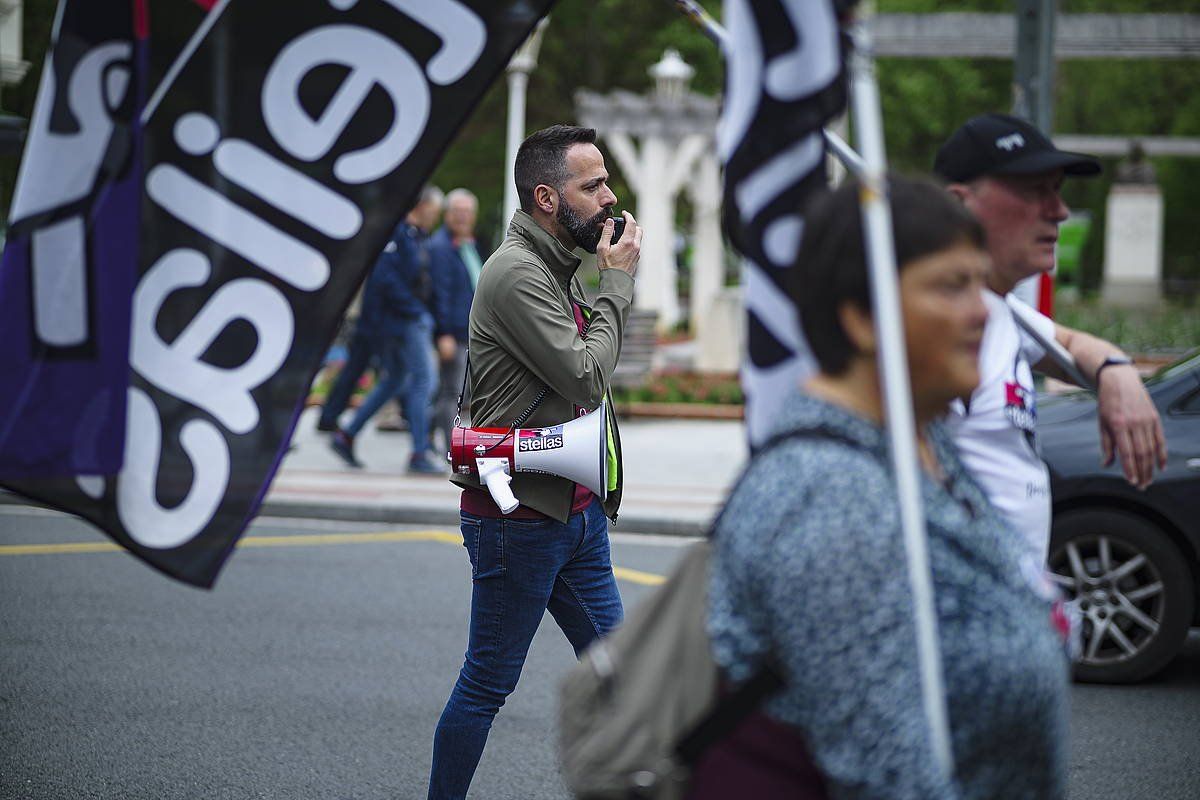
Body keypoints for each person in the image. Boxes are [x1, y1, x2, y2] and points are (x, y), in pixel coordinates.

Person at [692, 176, 1069, 798]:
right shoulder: (830, 496)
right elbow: (888, 776)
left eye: (981, 282)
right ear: (862, 318)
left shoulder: (921, 438)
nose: (983, 310)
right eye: (952, 285)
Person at [428, 125, 642, 800]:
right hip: (518, 520)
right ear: (548, 198)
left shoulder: (554, 265)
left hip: (571, 511)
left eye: (607, 180)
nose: (611, 198)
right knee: (487, 684)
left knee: (625, 676)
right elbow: (585, 377)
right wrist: (614, 287)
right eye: (594, 185)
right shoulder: (517, 273)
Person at [933, 113, 1166, 562]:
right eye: (1034, 190)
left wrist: (1117, 372)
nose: (1059, 211)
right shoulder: (934, 324)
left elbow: (1075, 345)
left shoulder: (999, 308)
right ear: (960, 204)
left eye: (1057, 190)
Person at [330, 185, 444, 473]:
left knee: (394, 380)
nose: (436, 216)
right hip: (400, 323)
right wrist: (418, 312)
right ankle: (419, 453)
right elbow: (385, 280)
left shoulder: (415, 236)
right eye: (434, 209)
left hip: (402, 321)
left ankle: (347, 435)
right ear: (424, 206)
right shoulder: (398, 234)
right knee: (423, 381)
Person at [428, 188, 484, 456]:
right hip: (454, 333)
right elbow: (440, 293)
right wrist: (444, 333)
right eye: (457, 212)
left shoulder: (468, 245)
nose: (462, 217)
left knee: (455, 391)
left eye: (467, 212)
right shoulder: (440, 247)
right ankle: (448, 445)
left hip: (470, 332)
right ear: (447, 215)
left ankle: (427, 436)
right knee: (453, 391)